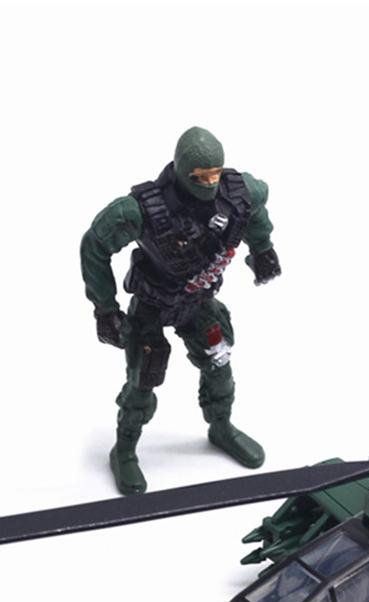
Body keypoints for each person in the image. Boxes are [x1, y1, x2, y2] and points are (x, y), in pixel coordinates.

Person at [81, 126, 281, 494]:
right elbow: (94, 246)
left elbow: (254, 211)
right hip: (152, 305)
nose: (210, 183)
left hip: (197, 302)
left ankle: (220, 426)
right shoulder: (139, 210)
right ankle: (124, 449)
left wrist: (263, 248)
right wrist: (105, 308)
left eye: (215, 174)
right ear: (181, 172)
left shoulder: (238, 192)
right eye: (200, 177)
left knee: (220, 365)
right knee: (143, 382)